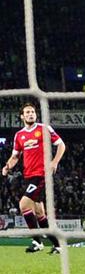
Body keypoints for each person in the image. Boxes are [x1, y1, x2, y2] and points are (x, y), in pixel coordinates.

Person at [1, 103, 66, 254]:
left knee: (23, 205)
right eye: (27, 112)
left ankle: (37, 242)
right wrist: (7, 166)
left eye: (32, 112)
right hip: (28, 176)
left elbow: (61, 145)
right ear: (22, 116)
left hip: (41, 175)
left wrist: (54, 162)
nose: (31, 114)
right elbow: (15, 156)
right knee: (39, 213)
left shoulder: (44, 128)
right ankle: (58, 246)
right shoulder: (19, 135)